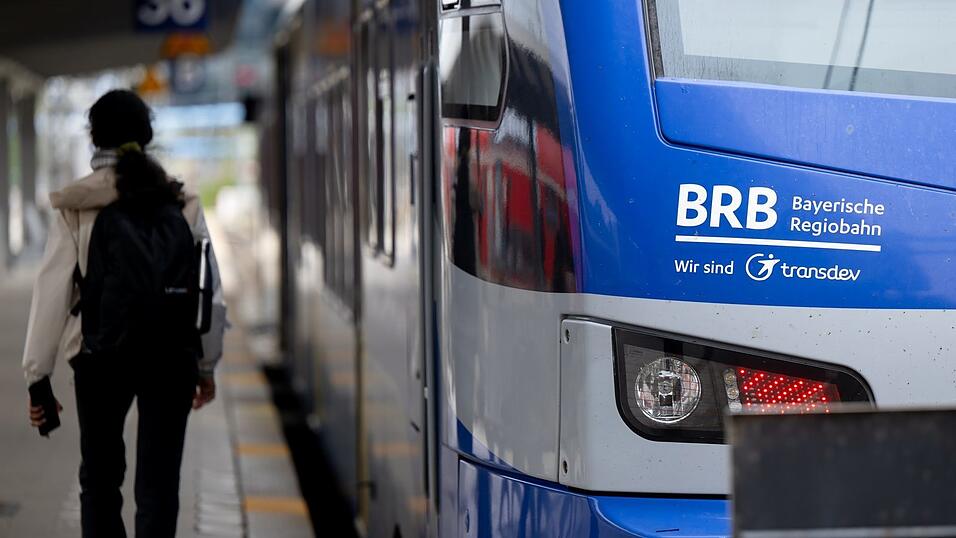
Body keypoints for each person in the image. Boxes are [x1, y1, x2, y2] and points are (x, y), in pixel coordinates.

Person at [21, 89, 228, 538]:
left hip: (100, 359)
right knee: (158, 489)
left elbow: (52, 290)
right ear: (146, 136)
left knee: (99, 483)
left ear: (95, 138)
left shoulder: (75, 204)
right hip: (170, 359)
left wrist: (38, 379)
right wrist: (206, 365)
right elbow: (210, 292)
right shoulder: (181, 201)